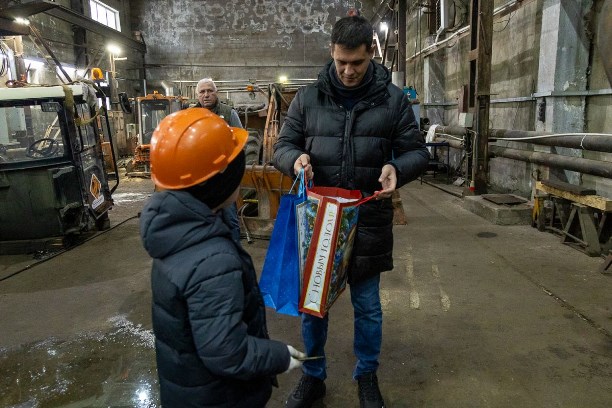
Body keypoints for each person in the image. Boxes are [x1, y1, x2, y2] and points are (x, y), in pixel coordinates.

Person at [272, 15, 429, 408]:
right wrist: (295, 160)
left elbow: (417, 153)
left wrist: (397, 169)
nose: (348, 71)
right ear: (332, 52)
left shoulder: (392, 100)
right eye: (341, 61)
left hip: (367, 221)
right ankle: (313, 376)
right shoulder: (308, 99)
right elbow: (282, 146)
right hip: (319, 221)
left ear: (370, 54)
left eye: (356, 63)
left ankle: (367, 376)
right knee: (314, 309)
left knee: (368, 308)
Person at [140, 108, 306, 407]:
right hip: (222, 397)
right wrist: (277, 356)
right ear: (221, 183)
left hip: (189, 389)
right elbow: (227, 352)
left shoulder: (173, 233)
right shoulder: (212, 261)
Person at [194, 77, 243, 241]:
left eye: (210, 91)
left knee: (230, 219)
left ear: (216, 93)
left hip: (223, 177)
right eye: (202, 92)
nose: (206, 95)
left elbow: (240, 142)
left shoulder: (229, 113)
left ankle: (234, 250)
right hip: (200, 178)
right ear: (197, 95)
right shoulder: (191, 115)